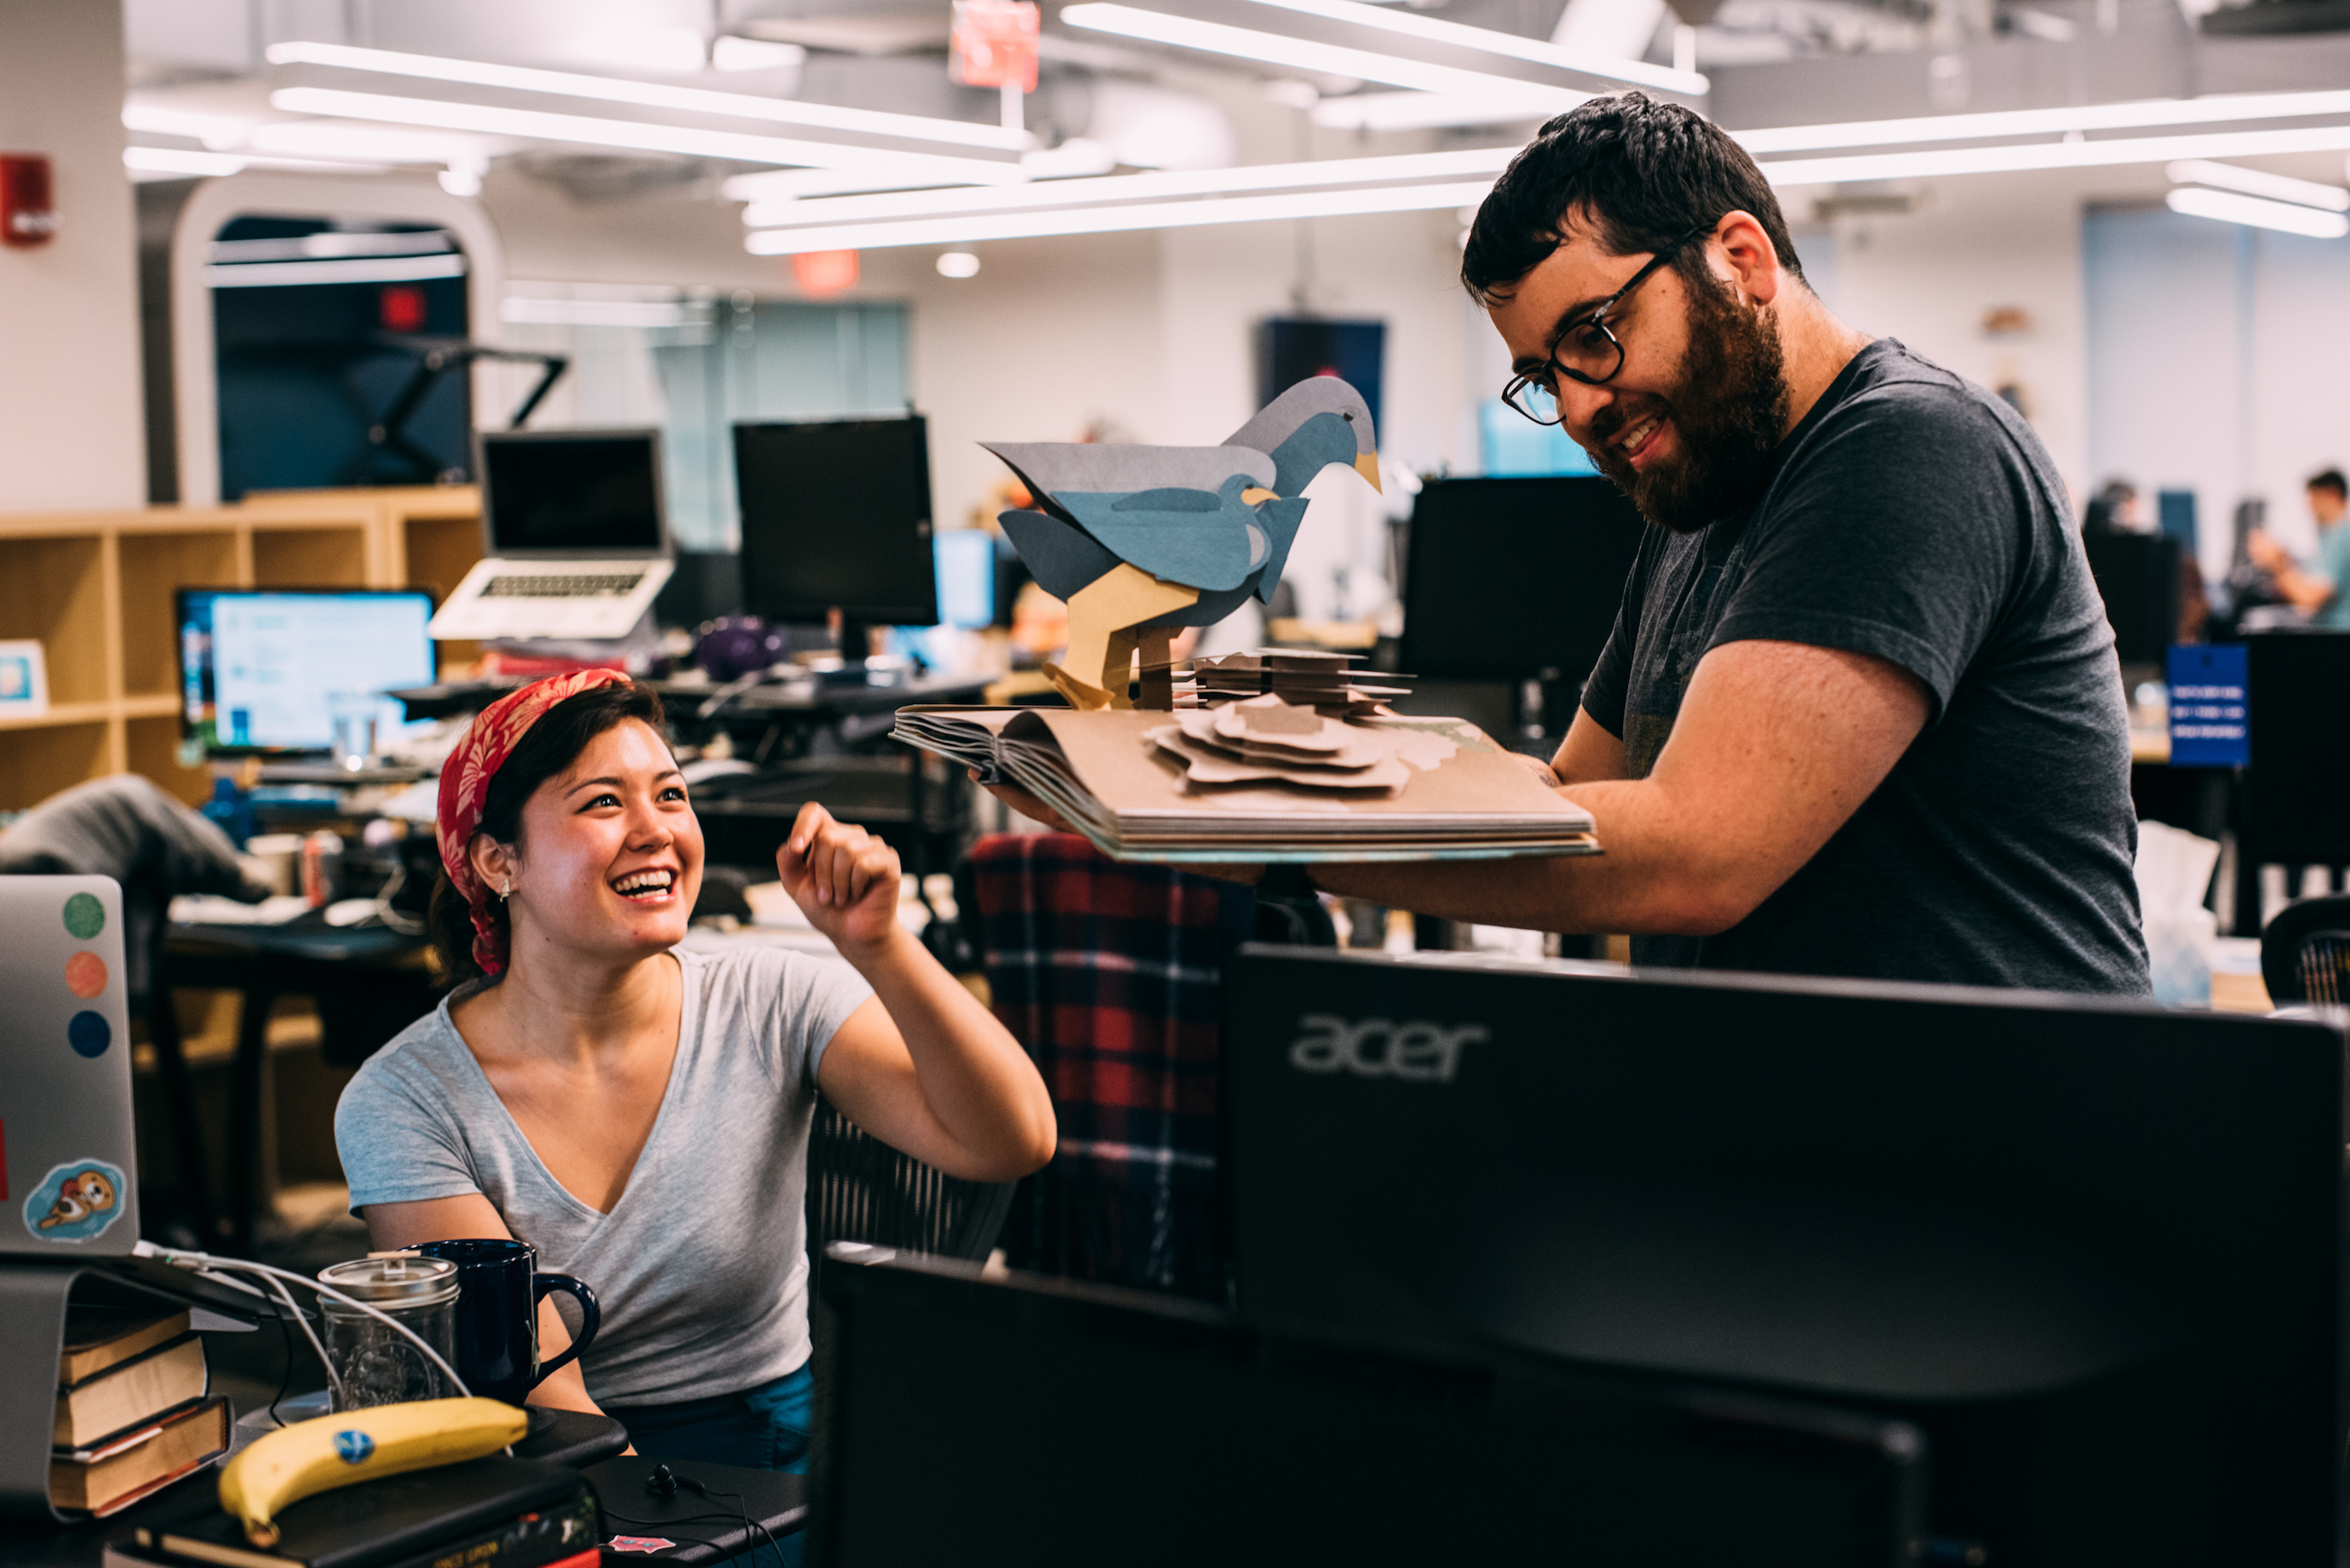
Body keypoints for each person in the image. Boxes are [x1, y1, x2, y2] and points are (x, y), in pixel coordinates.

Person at [990, 93, 2148, 993]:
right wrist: (1243, 769)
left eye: (1597, 332)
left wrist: (1240, 834)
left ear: (1740, 260)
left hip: (2000, 1172)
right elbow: (1558, 796)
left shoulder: (1910, 449)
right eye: (1545, 373)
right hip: (1811, 1167)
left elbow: (1699, 851)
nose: (1584, 405)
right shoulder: (1703, 496)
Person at [335, 671, 1054, 1476]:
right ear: (499, 862)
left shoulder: (773, 998)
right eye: (603, 803)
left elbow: (1012, 1140)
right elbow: (543, 1389)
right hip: (546, 1461)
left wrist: (879, 945)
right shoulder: (404, 1099)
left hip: (768, 1460)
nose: (655, 831)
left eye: (671, 796)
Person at [2246, 468, 2350, 629]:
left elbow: (2309, 598)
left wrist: (2277, 564)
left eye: (2313, 499)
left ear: (2332, 494)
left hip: (2339, 642)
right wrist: (2285, 562)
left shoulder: (2343, 537)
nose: (2309, 508)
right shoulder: (2330, 539)